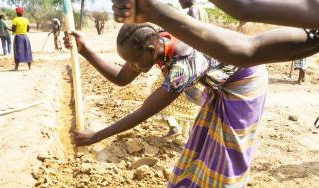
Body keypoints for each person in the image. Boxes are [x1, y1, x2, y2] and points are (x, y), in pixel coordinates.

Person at [110, 0, 319, 181]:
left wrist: (153, 10)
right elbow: (248, 48)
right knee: (203, 143)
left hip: (239, 89)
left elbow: (245, 7)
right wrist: (151, 10)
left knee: (226, 154)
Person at [65, 24, 268, 187]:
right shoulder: (153, 40)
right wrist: (84, 50)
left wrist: (97, 136)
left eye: (134, 62)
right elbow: (121, 78)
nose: (132, 67)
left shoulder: (184, 64)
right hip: (218, 82)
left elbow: (145, 110)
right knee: (203, 142)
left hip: (244, 81)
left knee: (226, 152)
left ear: (151, 50)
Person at [152, 0, 210, 138]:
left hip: (189, 61)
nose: (179, 2)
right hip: (198, 60)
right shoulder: (201, 9)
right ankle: (188, 134)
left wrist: (173, 62)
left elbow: (191, 40)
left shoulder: (193, 11)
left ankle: (176, 128)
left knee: (159, 89)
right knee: (190, 99)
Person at [12, 7, 32, 71]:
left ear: (17, 13)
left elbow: (13, 29)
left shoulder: (15, 20)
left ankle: (16, 67)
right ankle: (29, 67)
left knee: (17, 51)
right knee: (27, 51)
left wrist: (13, 30)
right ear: (22, 13)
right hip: (25, 37)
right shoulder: (26, 20)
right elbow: (28, 29)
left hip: (18, 37)